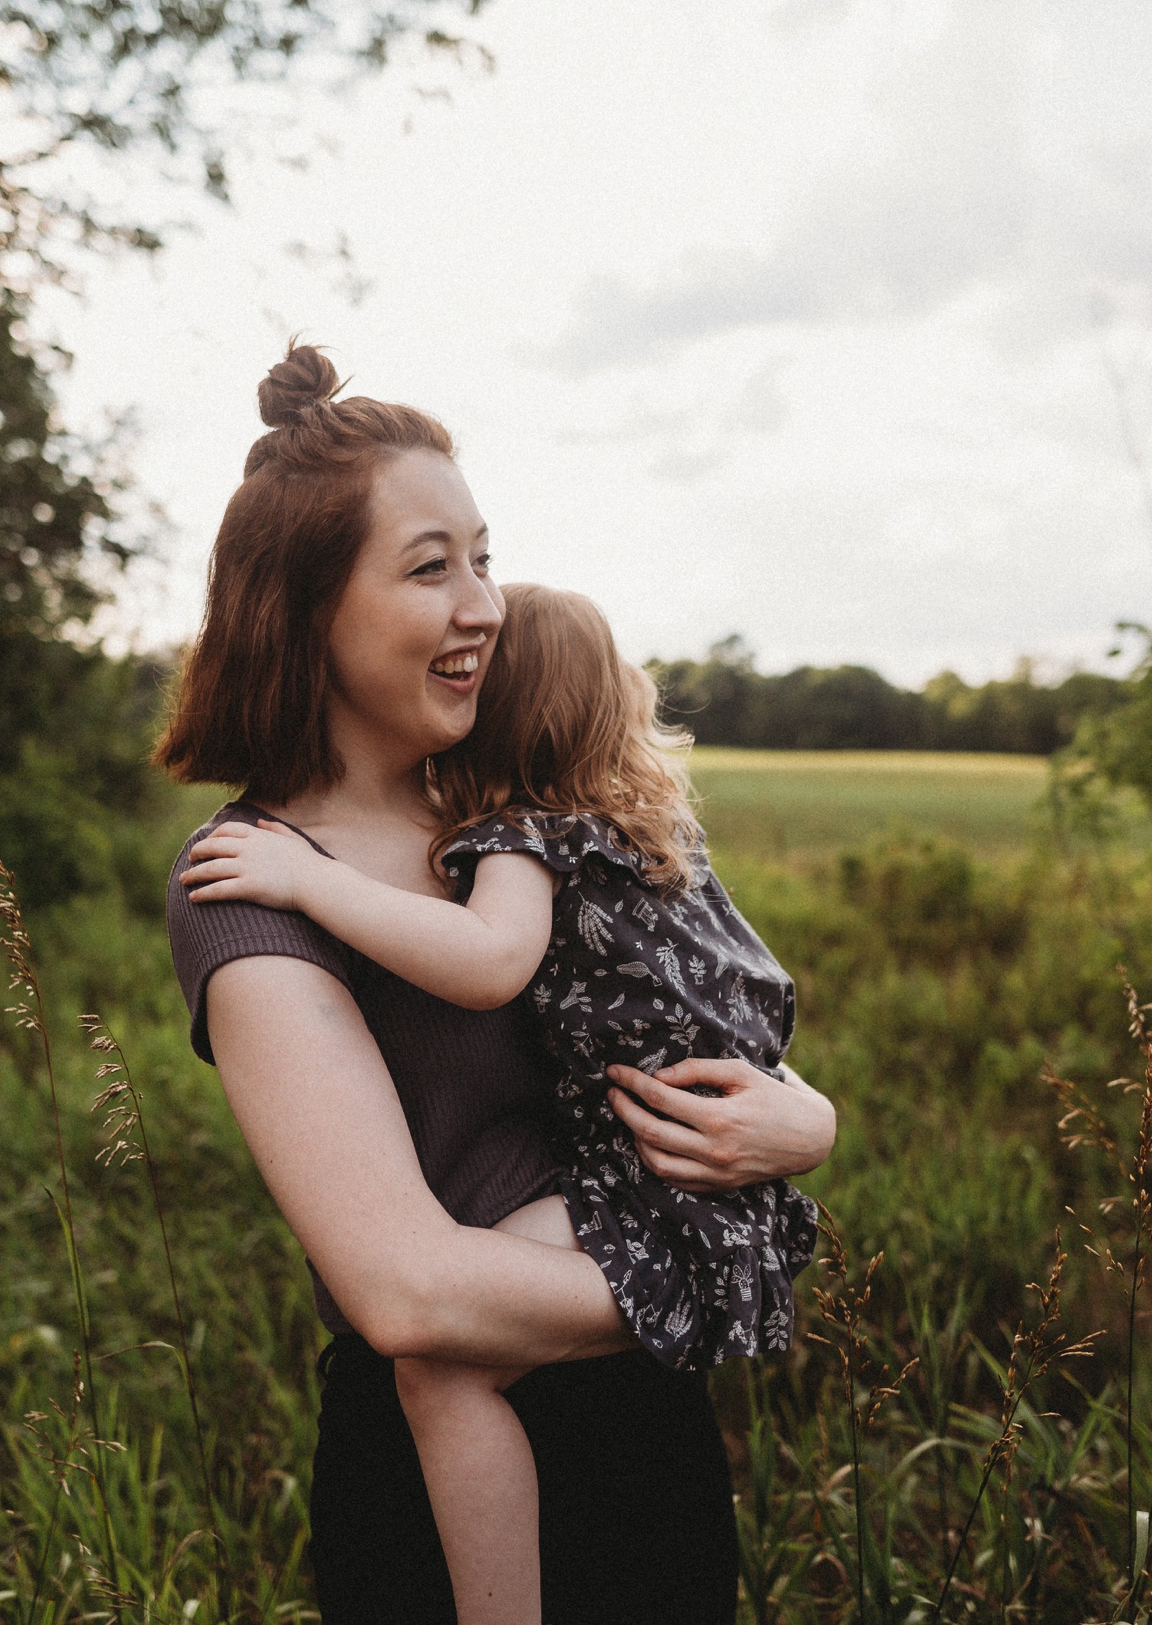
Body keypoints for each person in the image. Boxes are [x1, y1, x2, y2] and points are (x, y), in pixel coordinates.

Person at [154, 343, 838, 1625]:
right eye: (430, 568)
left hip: (644, 1434)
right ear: (306, 611)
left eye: (483, 555)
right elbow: (407, 1290)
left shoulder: (517, 807)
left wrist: (803, 1115)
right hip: (439, 1457)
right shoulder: (251, 879)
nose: (484, 604)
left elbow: (682, 1009)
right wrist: (702, 1280)